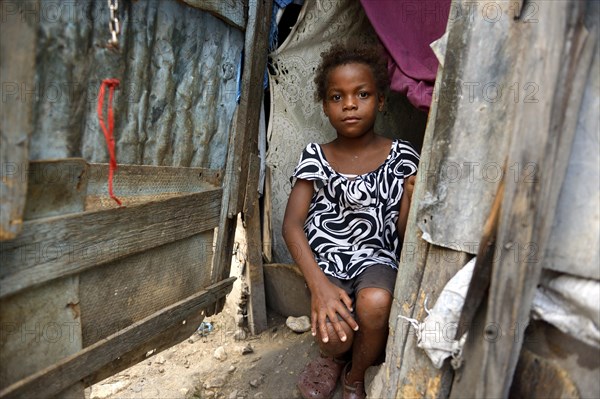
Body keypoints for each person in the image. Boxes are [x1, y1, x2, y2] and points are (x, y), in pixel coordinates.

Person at [282, 40, 419, 399]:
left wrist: (409, 198)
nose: (350, 105)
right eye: (337, 97)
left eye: (362, 94)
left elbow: (404, 235)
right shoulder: (316, 156)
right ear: (325, 106)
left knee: (375, 303)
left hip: (378, 260)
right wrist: (319, 287)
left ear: (382, 100)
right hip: (329, 264)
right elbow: (291, 225)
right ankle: (334, 358)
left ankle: (355, 375)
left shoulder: (402, 156)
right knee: (332, 335)